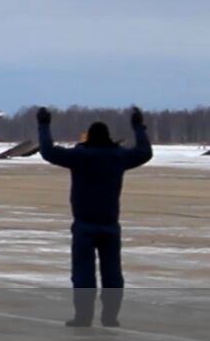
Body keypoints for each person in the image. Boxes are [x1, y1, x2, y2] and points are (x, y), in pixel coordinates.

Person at [37, 106, 152, 327]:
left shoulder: (80, 156)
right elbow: (144, 153)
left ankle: (83, 316)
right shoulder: (118, 157)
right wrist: (139, 127)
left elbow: (48, 152)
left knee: (83, 274)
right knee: (113, 275)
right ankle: (110, 317)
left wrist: (43, 126)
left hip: (84, 224)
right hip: (110, 224)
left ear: (89, 137)